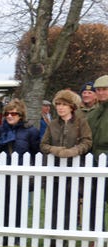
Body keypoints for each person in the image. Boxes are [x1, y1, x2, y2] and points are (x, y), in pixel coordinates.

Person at [40, 89, 93, 238]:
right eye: (58, 104)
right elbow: (43, 145)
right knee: (54, 205)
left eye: (64, 104)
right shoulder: (52, 124)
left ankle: (66, 238)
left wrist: (74, 151)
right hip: (54, 171)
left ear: (72, 106)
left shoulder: (80, 122)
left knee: (70, 206)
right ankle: (53, 237)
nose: (60, 107)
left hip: (73, 172)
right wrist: (55, 150)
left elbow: (87, 141)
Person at [0, 99, 41, 241]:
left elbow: (36, 152)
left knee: (19, 206)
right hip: (5, 173)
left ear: (21, 115)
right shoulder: (1, 130)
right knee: (5, 205)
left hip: (22, 174)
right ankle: (5, 235)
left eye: (14, 113)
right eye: (7, 113)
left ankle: (17, 236)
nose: (10, 116)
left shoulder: (31, 131)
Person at [85, 74, 108, 236]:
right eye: (98, 90)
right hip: (94, 160)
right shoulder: (93, 113)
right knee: (95, 201)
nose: (101, 93)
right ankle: (97, 235)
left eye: (105, 89)